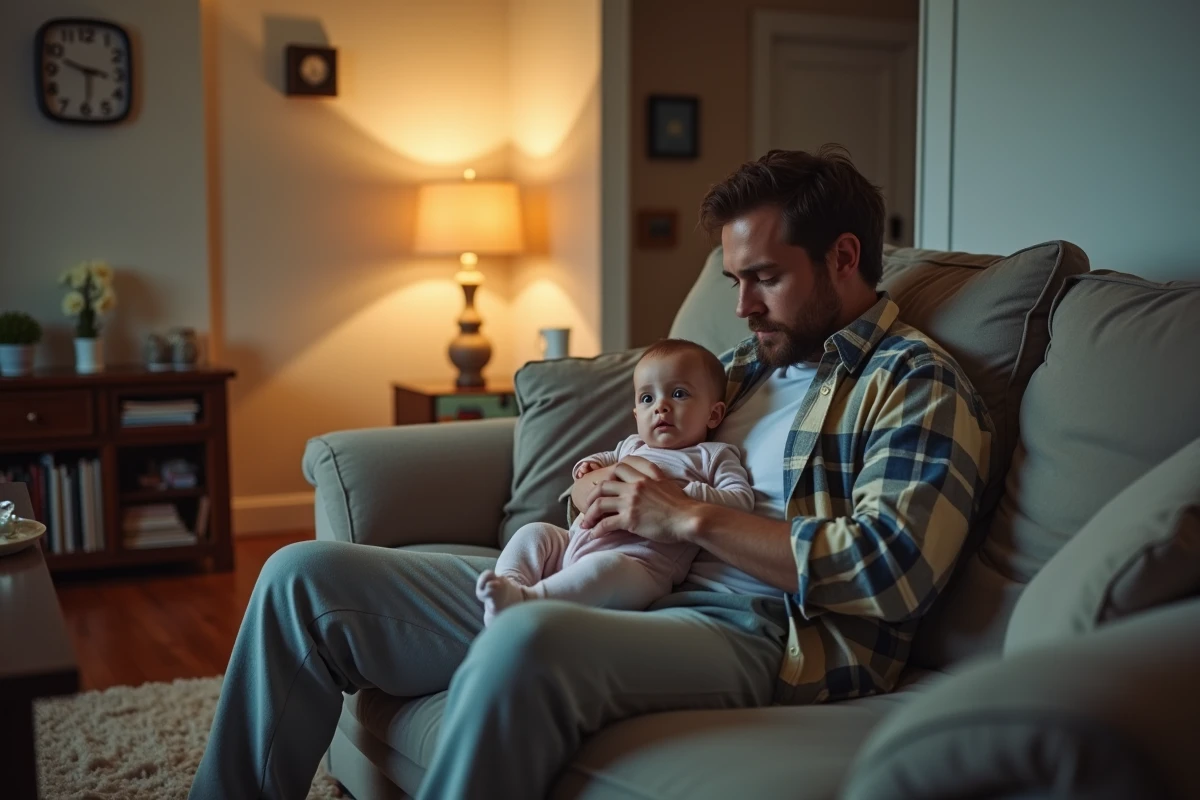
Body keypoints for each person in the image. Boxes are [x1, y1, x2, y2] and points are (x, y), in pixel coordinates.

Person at [189, 146, 994, 800]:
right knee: (300, 577)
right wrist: (594, 491)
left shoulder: (914, 383)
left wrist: (686, 517)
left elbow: (894, 571)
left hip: (745, 626)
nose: (743, 305)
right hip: (602, 573)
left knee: (533, 636)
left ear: (844, 257)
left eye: (765, 278)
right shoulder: (736, 368)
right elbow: (618, 468)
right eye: (734, 281)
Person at [477, 338, 754, 626]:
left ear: (714, 414)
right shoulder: (632, 446)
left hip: (641, 566)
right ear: (636, 415)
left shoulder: (713, 455)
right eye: (647, 398)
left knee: (606, 568)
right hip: (575, 542)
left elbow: (741, 500)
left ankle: (530, 602)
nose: (661, 407)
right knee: (534, 533)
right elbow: (607, 458)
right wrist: (591, 465)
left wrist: (685, 495)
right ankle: (509, 585)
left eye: (679, 393)